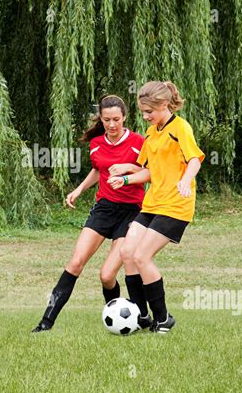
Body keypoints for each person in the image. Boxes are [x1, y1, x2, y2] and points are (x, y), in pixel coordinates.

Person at [32, 95, 145, 332]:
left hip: (131, 212)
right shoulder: (96, 143)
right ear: (101, 119)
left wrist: (128, 169)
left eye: (116, 119)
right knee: (75, 262)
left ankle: (126, 319)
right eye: (107, 120)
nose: (112, 125)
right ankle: (46, 322)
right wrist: (79, 189)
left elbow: (151, 172)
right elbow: (97, 170)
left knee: (106, 276)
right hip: (104, 209)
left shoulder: (138, 142)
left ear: (124, 117)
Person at [108, 81, 205, 334]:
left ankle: (163, 318)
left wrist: (185, 180)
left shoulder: (180, 128)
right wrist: (126, 178)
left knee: (142, 257)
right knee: (128, 252)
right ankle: (141, 315)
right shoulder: (152, 132)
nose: (146, 116)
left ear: (164, 105)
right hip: (153, 203)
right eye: (142, 112)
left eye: (149, 111)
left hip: (175, 205)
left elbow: (194, 160)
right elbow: (148, 172)